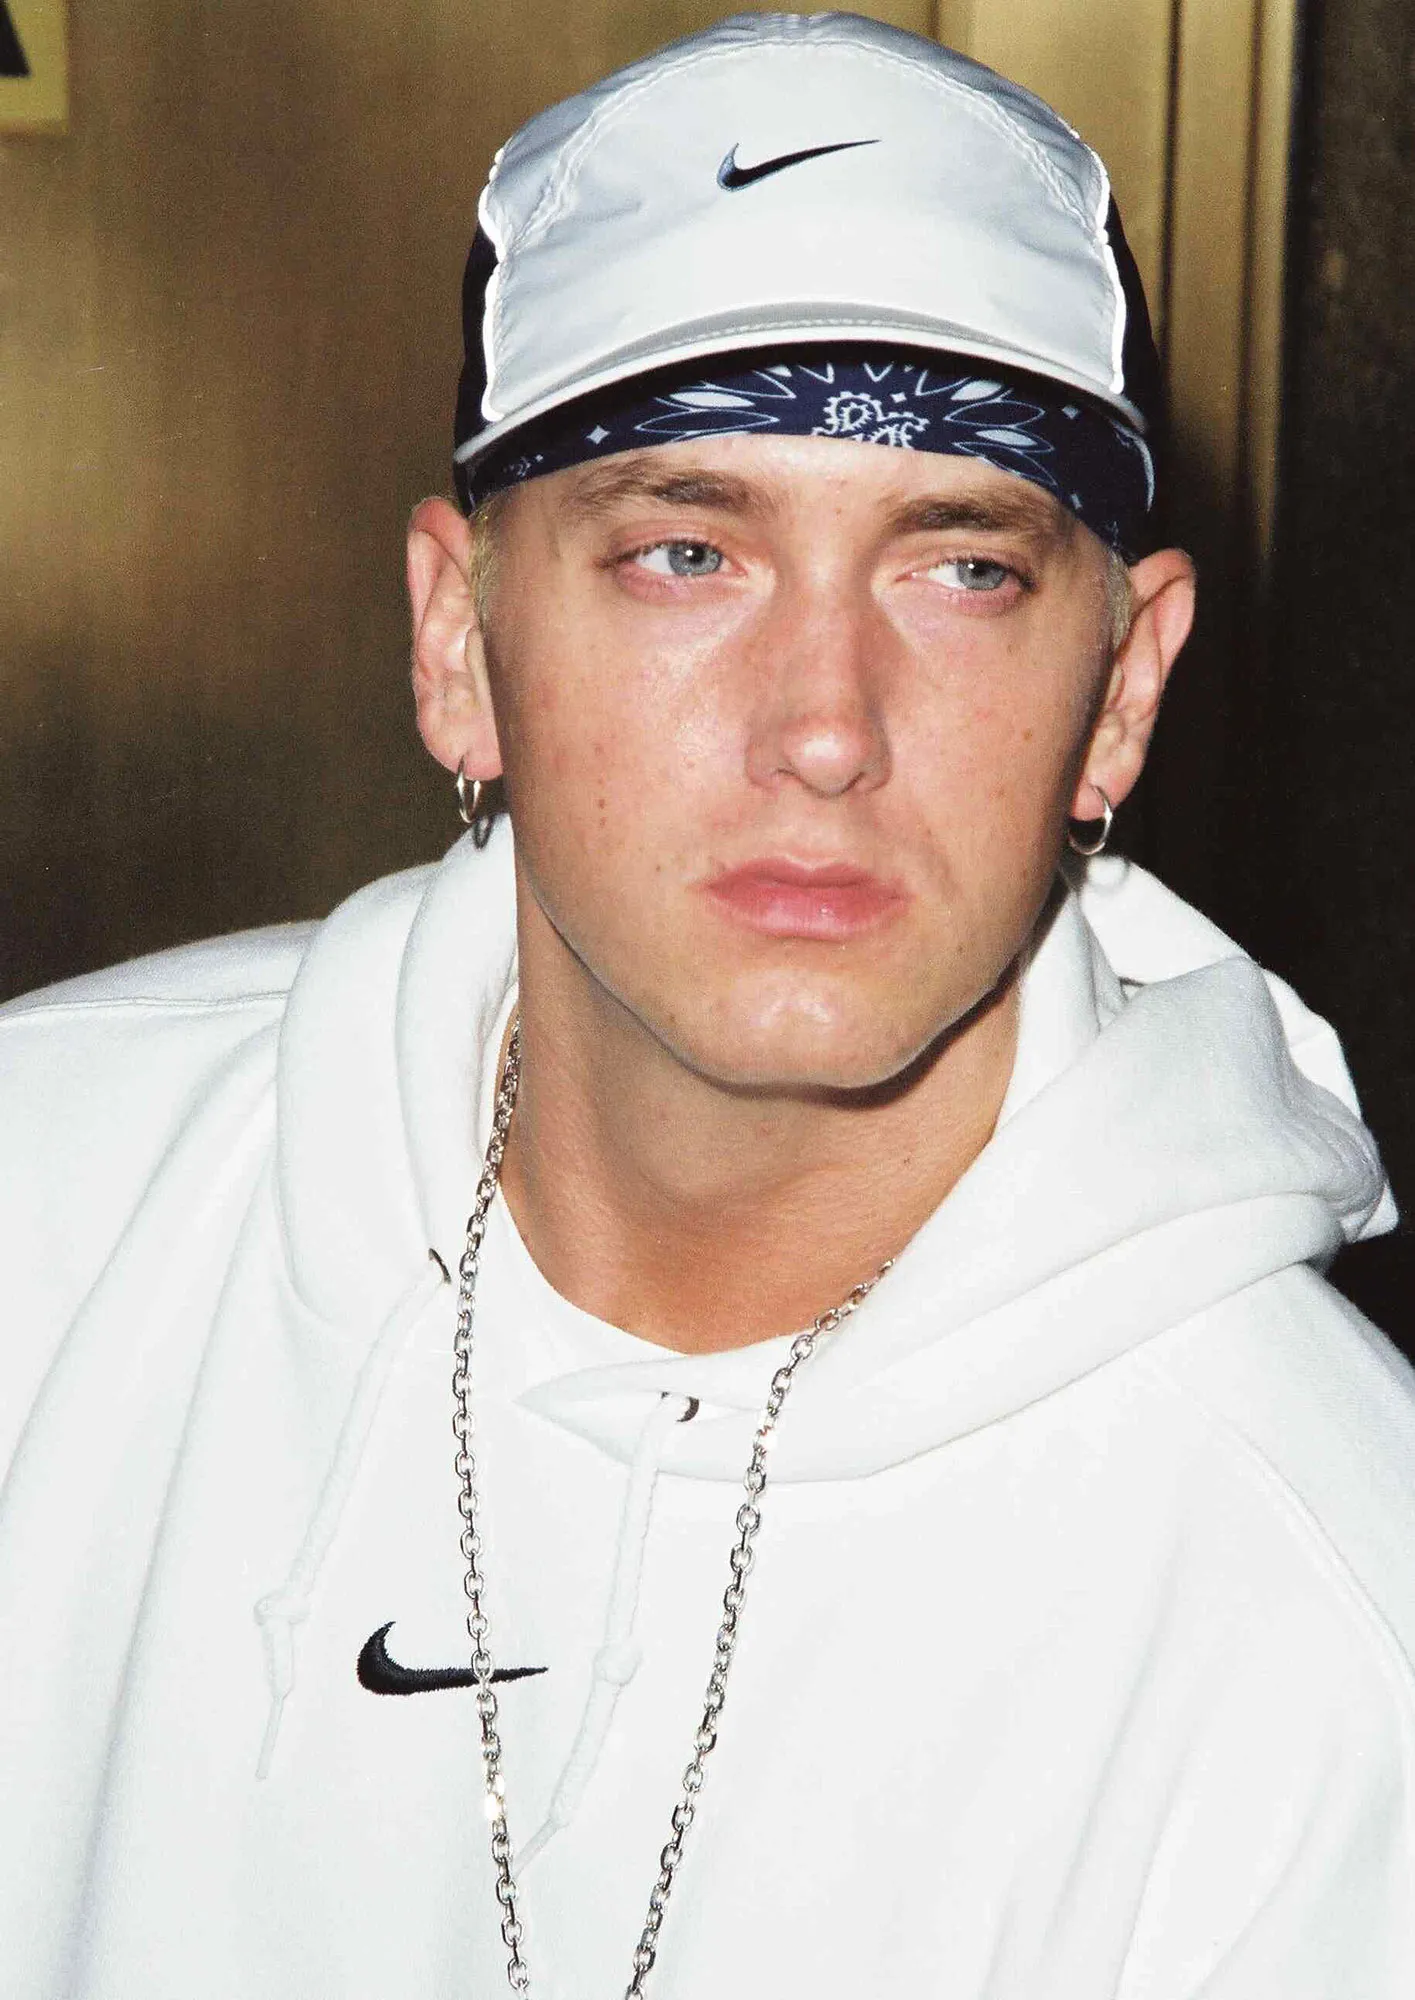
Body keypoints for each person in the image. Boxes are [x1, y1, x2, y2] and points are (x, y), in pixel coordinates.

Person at [2, 13, 1412, 1997]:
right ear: (458, 640)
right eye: (687, 552)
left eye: (961, 570)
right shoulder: (47, 1214)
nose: (822, 727)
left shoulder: (1329, 1617)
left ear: (1120, 689)